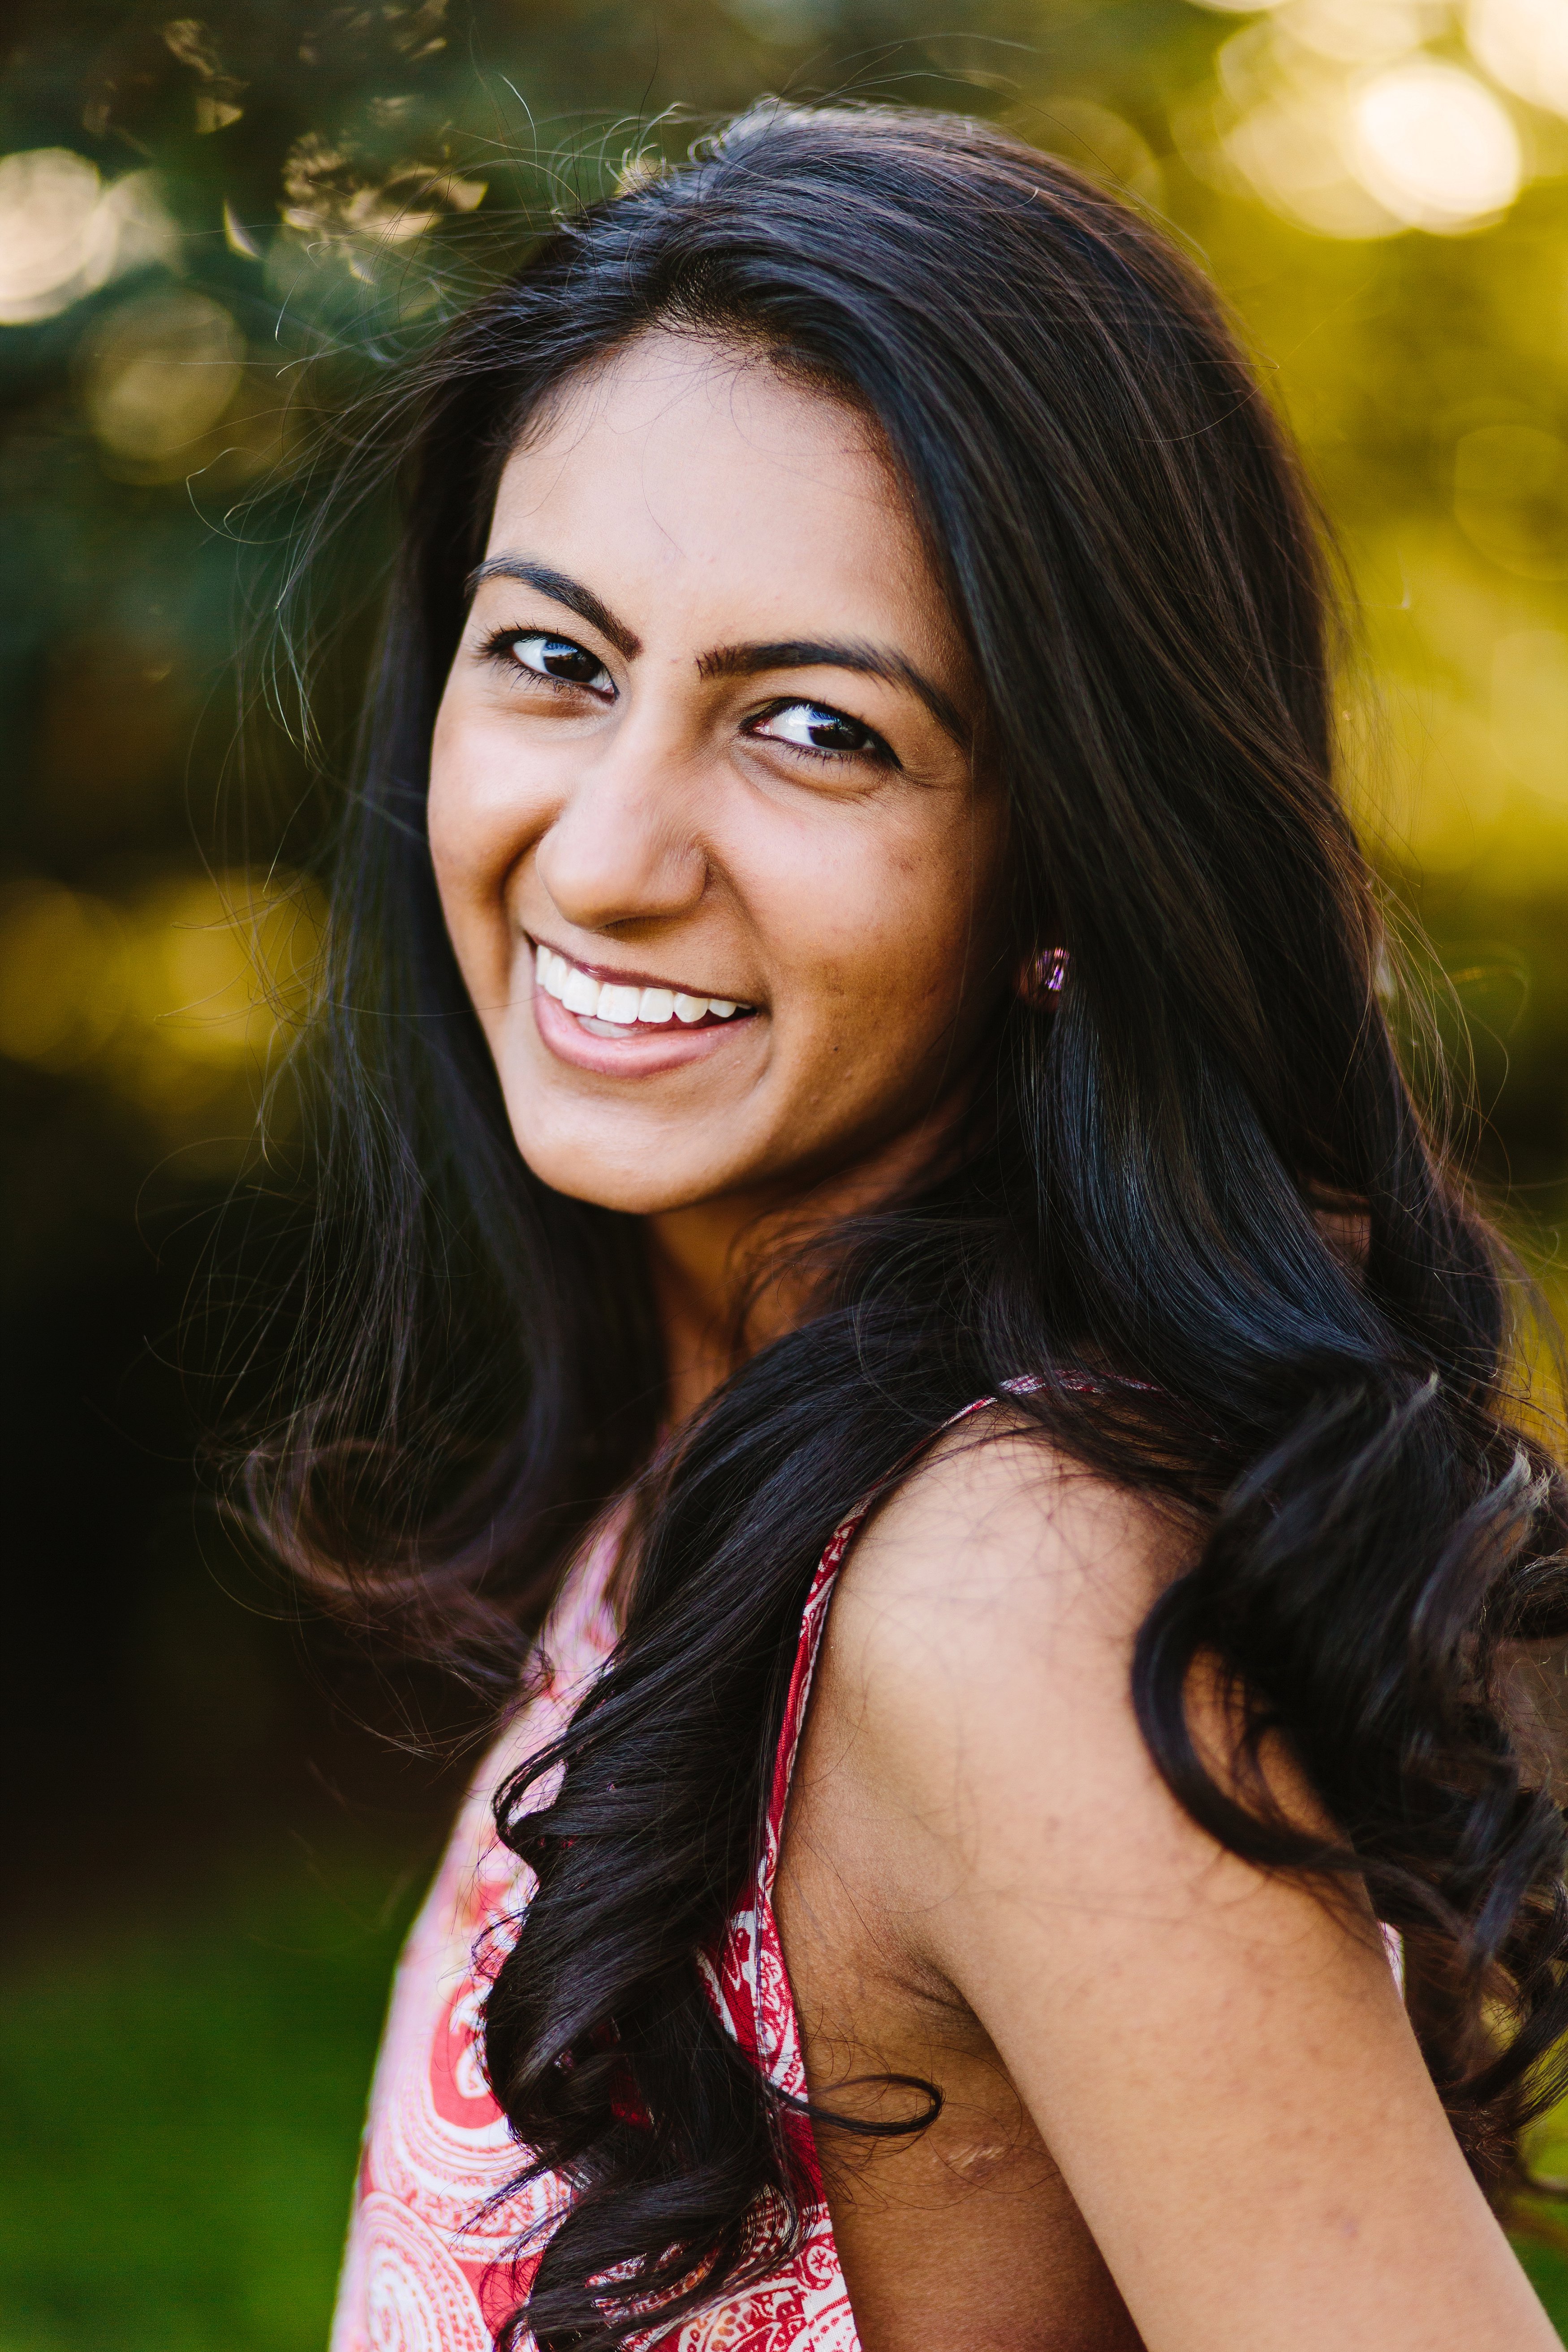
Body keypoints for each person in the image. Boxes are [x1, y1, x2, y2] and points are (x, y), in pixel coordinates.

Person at [252, 103, 1568, 2352]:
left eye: (809, 727)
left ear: (1067, 855)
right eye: (554, 660)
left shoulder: (1000, 1592)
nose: (604, 855)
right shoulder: (735, 1432)